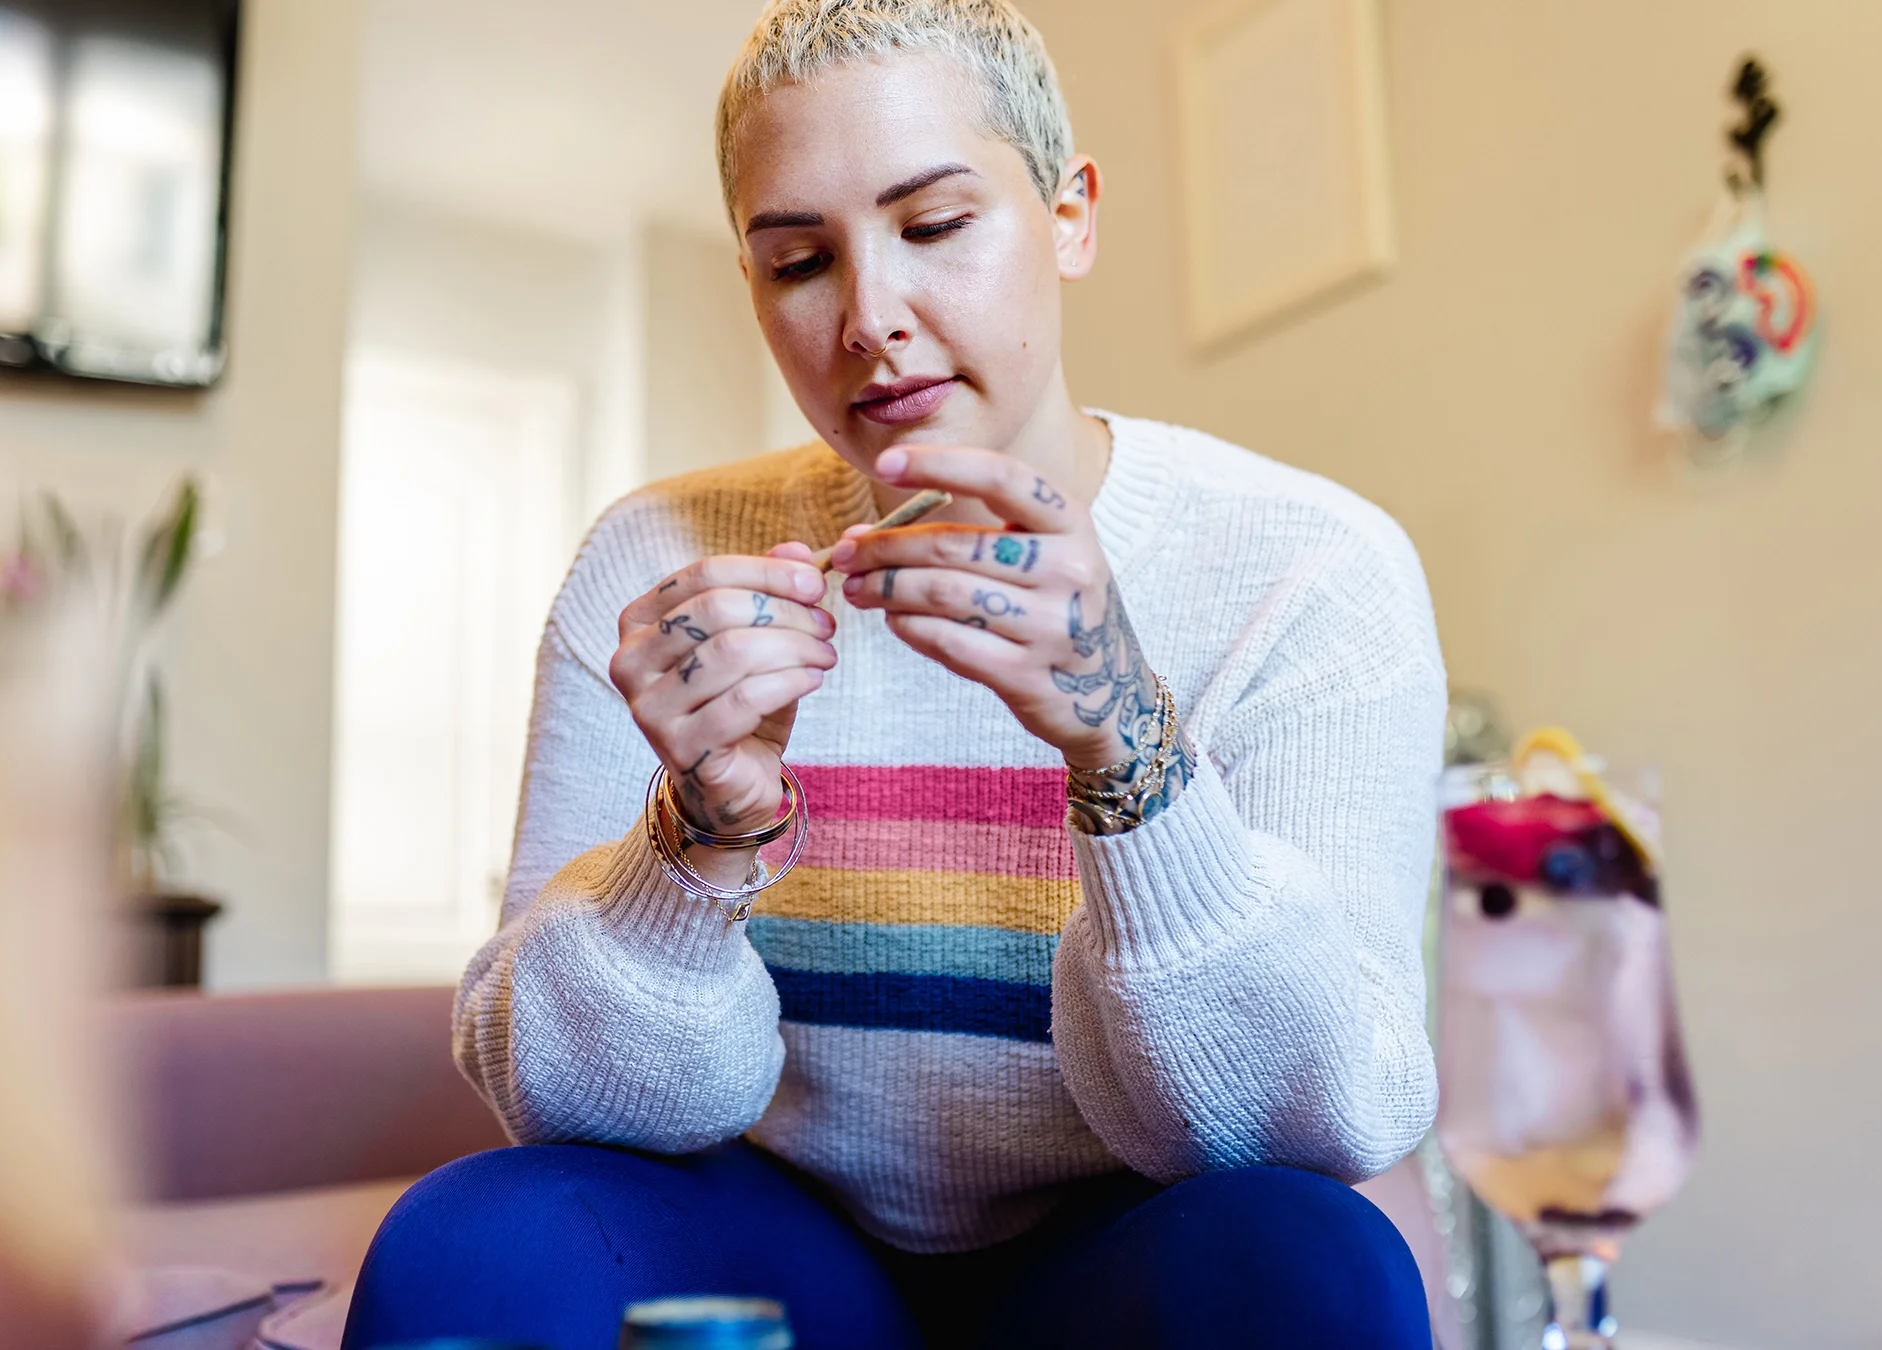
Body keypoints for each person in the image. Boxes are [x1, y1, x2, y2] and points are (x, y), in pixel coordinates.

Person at [345, 1, 1443, 1346]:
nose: (870, 318)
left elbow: (1316, 1117)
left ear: (1072, 216)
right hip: (780, 1239)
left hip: (1132, 1241)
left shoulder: (1308, 567)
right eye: (800, 259)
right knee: (468, 1247)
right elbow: (558, 1101)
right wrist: (697, 834)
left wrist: (1127, 751)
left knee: (1314, 1263)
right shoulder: (654, 564)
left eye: (933, 227)